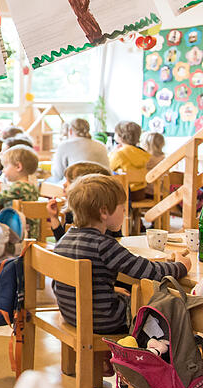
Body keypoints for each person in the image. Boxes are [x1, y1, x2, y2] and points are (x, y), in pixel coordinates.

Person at [52, 174, 189, 336]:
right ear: (104, 212)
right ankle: (151, 355)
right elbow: (148, 271)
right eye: (122, 207)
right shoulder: (104, 245)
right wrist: (181, 266)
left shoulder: (64, 239)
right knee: (157, 302)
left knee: (129, 292)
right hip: (106, 321)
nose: (125, 211)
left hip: (72, 315)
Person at [46, 161, 121, 241]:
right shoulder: (72, 210)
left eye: (69, 181)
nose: (64, 184)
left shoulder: (99, 214)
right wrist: (54, 218)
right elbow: (64, 242)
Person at [0, 145, 40, 239]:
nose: (3, 170)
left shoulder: (17, 187)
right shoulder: (32, 186)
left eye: (6, 166)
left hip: (18, 233)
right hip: (33, 233)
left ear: (18, 167)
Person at [109, 121, 151, 201]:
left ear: (121, 136)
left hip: (125, 193)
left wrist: (113, 152)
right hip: (140, 192)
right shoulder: (143, 153)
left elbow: (108, 166)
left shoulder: (119, 154)